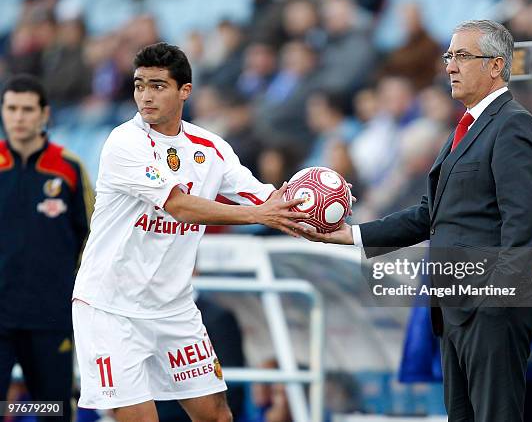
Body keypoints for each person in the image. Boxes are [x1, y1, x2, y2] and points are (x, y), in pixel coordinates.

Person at [299, 20, 532, 422]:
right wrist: (350, 235)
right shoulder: (467, 128)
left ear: (495, 65)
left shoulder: (512, 123)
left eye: (462, 56)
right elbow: (429, 215)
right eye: (449, 56)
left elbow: (524, 220)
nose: (450, 66)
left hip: (490, 306)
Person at [71, 42, 308, 422]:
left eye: (158, 86)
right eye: (138, 85)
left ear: (185, 91)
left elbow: (263, 196)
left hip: (172, 308)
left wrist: (316, 213)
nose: (145, 97)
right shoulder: (124, 142)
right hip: (111, 308)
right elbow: (178, 205)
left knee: (217, 416)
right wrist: (259, 215)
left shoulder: (210, 148)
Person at [0, 74, 94, 421]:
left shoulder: (68, 168)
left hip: (50, 317)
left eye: (27, 109)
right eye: (11, 108)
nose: (18, 117)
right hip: (0, 315)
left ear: (44, 114)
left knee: (52, 410)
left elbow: (93, 238)